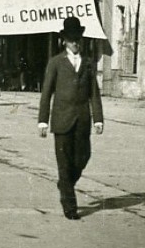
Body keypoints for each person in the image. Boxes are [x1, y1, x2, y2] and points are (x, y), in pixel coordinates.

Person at [38, 16, 104, 220]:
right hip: (61, 120)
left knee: (83, 157)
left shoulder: (88, 63)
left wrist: (98, 119)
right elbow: (46, 93)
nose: (75, 43)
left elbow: (94, 92)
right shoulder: (56, 63)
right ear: (64, 41)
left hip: (82, 119)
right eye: (71, 39)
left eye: (78, 39)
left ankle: (64, 183)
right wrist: (42, 120)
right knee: (64, 164)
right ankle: (70, 206)